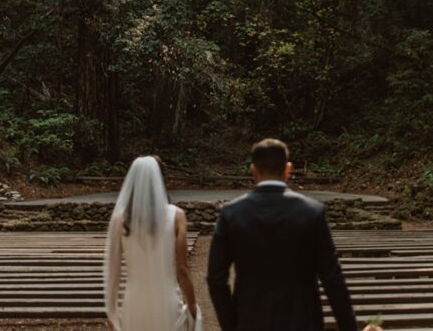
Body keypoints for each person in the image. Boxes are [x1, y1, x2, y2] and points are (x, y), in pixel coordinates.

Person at [207, 139, 381, 331]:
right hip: (303, 322)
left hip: (250, 321)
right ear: (288, 169)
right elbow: (332, 278)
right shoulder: (312, 212)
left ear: (253, 170)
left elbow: (216, 278)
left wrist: (231, 326)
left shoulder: (231, 213)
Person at [104, 156, 201, 331]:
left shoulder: (120, 220)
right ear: (162, 180)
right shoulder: (176, 216)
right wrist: (192, 305)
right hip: (167, 301)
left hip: (134, 304)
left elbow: (114, 272)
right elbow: (182, 269)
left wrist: (112, 313)